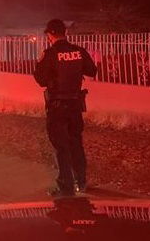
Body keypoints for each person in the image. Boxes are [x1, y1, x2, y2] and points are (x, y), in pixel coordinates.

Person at [34, 19, 97, 197]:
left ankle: (65, 186)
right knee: (76, 143)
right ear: (65, 32)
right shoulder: (78, 51)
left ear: (50, 34)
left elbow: (40, 80)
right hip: (75, 105)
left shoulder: (50, 53)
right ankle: (81, 182)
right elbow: (92, 70)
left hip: (57, 107)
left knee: (61, 147)